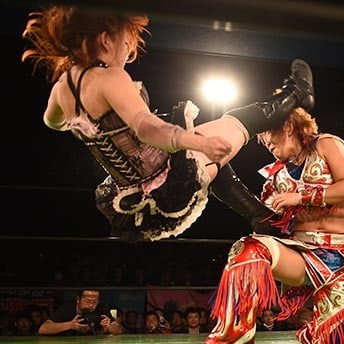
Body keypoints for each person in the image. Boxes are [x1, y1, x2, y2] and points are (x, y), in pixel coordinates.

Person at [21, 4, 314, 242]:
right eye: (126, 43)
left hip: (136, 202)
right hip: (170, 181)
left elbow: (53, 123)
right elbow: (146, 128)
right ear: (105, 39)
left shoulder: (63, 87)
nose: (127, 52)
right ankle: (298, 93)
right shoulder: (109, 77)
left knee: (212, 160)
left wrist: (86, 127)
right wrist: (193, 141)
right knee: (239, 121)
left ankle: (262, 219)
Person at [194, 107, 344, 344]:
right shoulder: (276, 175)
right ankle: (233, 339)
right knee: (248, 249)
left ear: (286, 127)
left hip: (340, 258)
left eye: (267, 134)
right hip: (300, 254)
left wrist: (299, 197)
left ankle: (316, 324)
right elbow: (270, 223)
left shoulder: (327, 144)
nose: (264, 142)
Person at [38, 290, 123, 335]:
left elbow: (118, 330)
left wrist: (109, 327)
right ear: (78, 300)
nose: (91, 305)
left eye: (94, 302)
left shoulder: (100, 308)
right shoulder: (69, 307)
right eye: (87, 301)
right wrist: (70, 325)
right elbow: (43, 329)